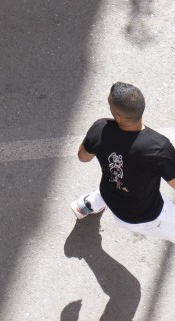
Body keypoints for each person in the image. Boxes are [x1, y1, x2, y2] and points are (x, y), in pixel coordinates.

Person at [71, 82, 175, 244]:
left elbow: (83, 157)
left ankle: (89, 203)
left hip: (109, 190)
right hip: (139, 216)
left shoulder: (100, 129)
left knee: (116, 177)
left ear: (118, 117)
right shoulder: (159, 147)